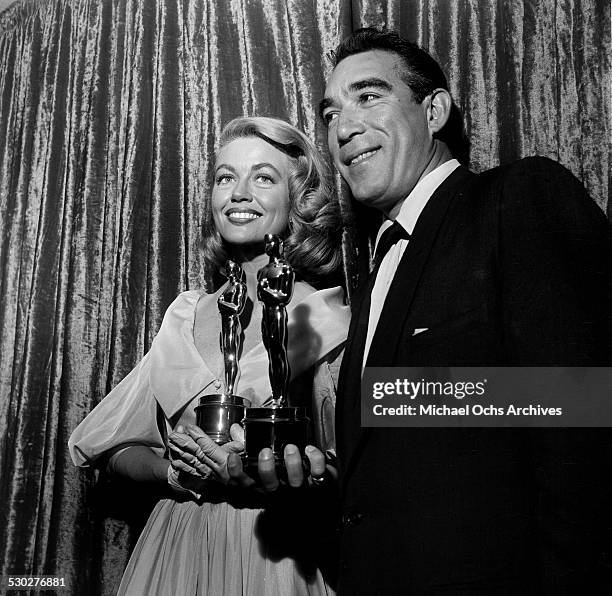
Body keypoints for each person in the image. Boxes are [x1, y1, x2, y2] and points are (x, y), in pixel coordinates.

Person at [311, 28, 611, 594]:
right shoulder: (377, 271)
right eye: (330, 113)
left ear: (434, 110)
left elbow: (586, 404)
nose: (344, 127)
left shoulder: (517, 198)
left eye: (369, 96)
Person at [69, 116, 350, 595]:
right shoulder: (183, 317)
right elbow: (108, 446)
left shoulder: (329, 322)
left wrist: (288, 475)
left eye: (263, 177)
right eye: (226, 177)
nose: (239, 193)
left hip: (275, 554)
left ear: (298, 200)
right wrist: (174, 472)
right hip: (175, 547)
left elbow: (366, 472)